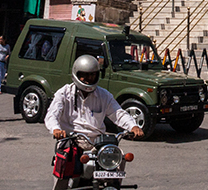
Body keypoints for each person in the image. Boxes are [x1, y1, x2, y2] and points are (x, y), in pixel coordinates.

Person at [46, 55, 145, 190]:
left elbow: (118, 113)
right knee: (64, 163)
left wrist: (133, 126)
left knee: (119, 156)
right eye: (85, 75)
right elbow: (52, 115)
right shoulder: (64, 94)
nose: (89, 79)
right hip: (72, 139)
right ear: (76, 74)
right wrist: (56, 130)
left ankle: (114, 186)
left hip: (98, 142)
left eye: (92, 75)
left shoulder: (104, 95)